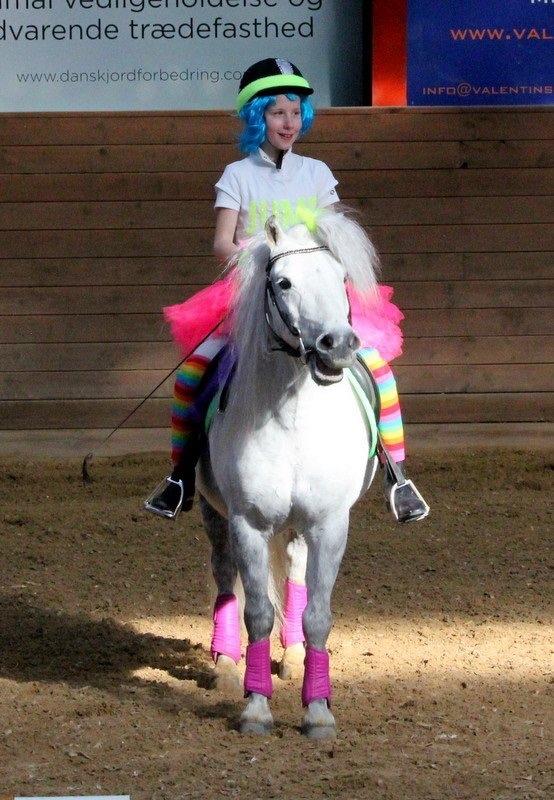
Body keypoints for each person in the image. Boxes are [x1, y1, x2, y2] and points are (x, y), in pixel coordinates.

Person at [144, 58, 429, 524]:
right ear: (259, 117)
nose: (289, 122)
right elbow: (221, 242)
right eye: (278, 113)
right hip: (257, 297)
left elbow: (338, 234)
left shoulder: (316, 172)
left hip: (316, 297)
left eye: (296, 112)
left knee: (376, 368)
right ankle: (180, 475)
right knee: (195, 370)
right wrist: (264, 254)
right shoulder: (238, 175)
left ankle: (397, 474)